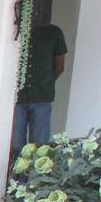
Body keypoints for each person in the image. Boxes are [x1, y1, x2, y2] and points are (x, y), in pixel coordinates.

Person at [11, 22, 67, 154]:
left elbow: (60, 66)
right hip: (17, 97)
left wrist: (45, 82)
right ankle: (16, 168)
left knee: (39, 145)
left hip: (42, 97)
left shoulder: (54, 32)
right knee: (15, 144)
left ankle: (34, 169)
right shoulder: (18, 28)